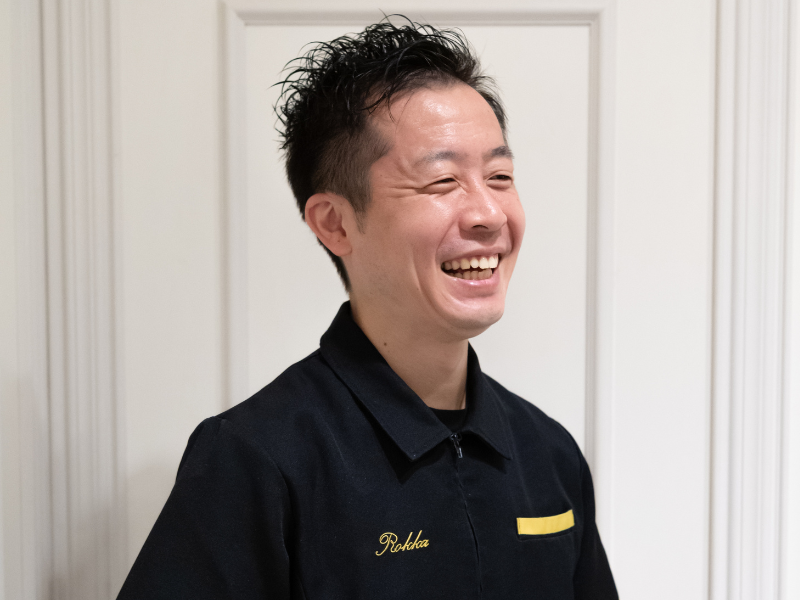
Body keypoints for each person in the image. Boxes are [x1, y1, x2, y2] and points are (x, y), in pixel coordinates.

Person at [117, 18, 618, 599]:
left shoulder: (548, 453)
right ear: (334, 223)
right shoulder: (255, 458)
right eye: (442, 181)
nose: (488, 213)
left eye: (500, 176)